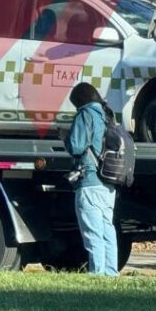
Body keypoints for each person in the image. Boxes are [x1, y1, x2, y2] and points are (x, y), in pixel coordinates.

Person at [65, 82, 118, 276]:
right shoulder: (107, 115)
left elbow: (77, 146)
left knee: (92, 232)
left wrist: (66, 139)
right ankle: (111, 273)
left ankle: (96, 274)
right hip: (109, 182)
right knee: (107, 230)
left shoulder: (85, 114)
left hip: (89, 180)